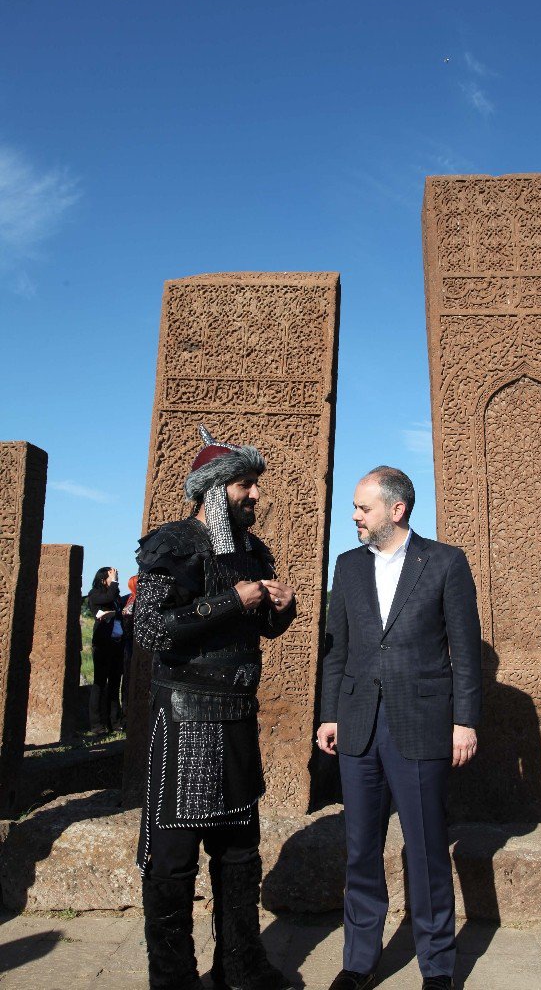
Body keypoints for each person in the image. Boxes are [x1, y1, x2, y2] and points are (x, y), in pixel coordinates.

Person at [134, 424, 297, 990]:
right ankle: (174, 979)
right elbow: (152, 628)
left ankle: (241, 967)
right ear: (212, 491)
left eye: (255, 485)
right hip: (183, 721)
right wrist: (232, 600)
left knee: (238, 855)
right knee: (173, 863)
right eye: (244, 486)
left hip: (237, 721)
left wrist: (282, 606)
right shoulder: (172, 544)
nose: (256, 495)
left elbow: (264, 627)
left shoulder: (254, 551)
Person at [317, 466, 482, 990]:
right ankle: (359, 961)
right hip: (358, 724)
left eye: (363, 508)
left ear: (397, 510)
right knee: (361, 845)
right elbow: (336, 649)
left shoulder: (445, 563)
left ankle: (437, 965)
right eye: (355, 508)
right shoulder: (346, 567)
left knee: (428, 845)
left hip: (422, 723)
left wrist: (464, 721)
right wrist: (329, 713)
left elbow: (466, 652)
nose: (354, 517)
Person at [88, 566, 125, 734]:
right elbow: (108, 597)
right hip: (103, 644)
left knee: (115, 683)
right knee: (100, 683)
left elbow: (116, 601)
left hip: (117, 643)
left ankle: (115, 722)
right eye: (111, 575)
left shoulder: (115, 596)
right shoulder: (95, 593)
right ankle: (97, 725)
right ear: (104, 579)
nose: (115, 577)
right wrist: (114, 582)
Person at [121, 574, 138, 720]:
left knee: (128, 678)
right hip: (133, 642)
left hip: (129, 642)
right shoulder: (133, 600)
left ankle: (126, 711)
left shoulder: (128, 600)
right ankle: (128, 712)